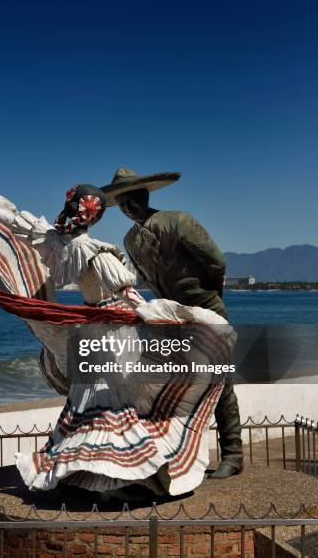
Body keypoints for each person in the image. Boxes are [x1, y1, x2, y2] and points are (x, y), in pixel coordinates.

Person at [0, 182, 235, 496]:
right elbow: (125, 293)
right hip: (115, 330)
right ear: (94, 216)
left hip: (96, 329)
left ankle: (99, 474)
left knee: (95, 400)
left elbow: (21, 224)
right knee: (112, 401)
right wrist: (159, 315)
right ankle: (117, 476)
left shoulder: (55, 241)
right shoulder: (90, 249)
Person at [101, 168, 243, 479]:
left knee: (221, 383)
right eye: (122, 204)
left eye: (133, 200)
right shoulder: (130, 239)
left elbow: (216, 261)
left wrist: (207, 297)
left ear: (145, 195)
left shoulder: (179, 220)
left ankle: (233, 453)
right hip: (169, 317)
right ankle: (175, 454)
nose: (128, 208)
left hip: (205, 309)